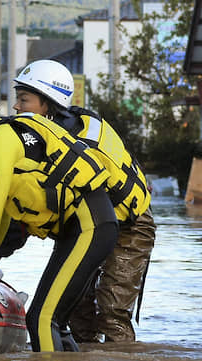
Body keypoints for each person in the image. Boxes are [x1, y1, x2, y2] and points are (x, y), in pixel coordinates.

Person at [0, 67, 119, 352]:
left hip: (90, 224)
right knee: (54, 321)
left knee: (42, 320)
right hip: (82, 228)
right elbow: (6, 215)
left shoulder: (0, 138)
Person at [13, 59, 155, 343]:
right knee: (76, 310)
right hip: (92, 227)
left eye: (23, 99)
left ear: (47, 103)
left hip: (131, 226)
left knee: (112, 312)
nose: (16, 107)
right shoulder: (52, 136)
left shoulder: (74, 144)